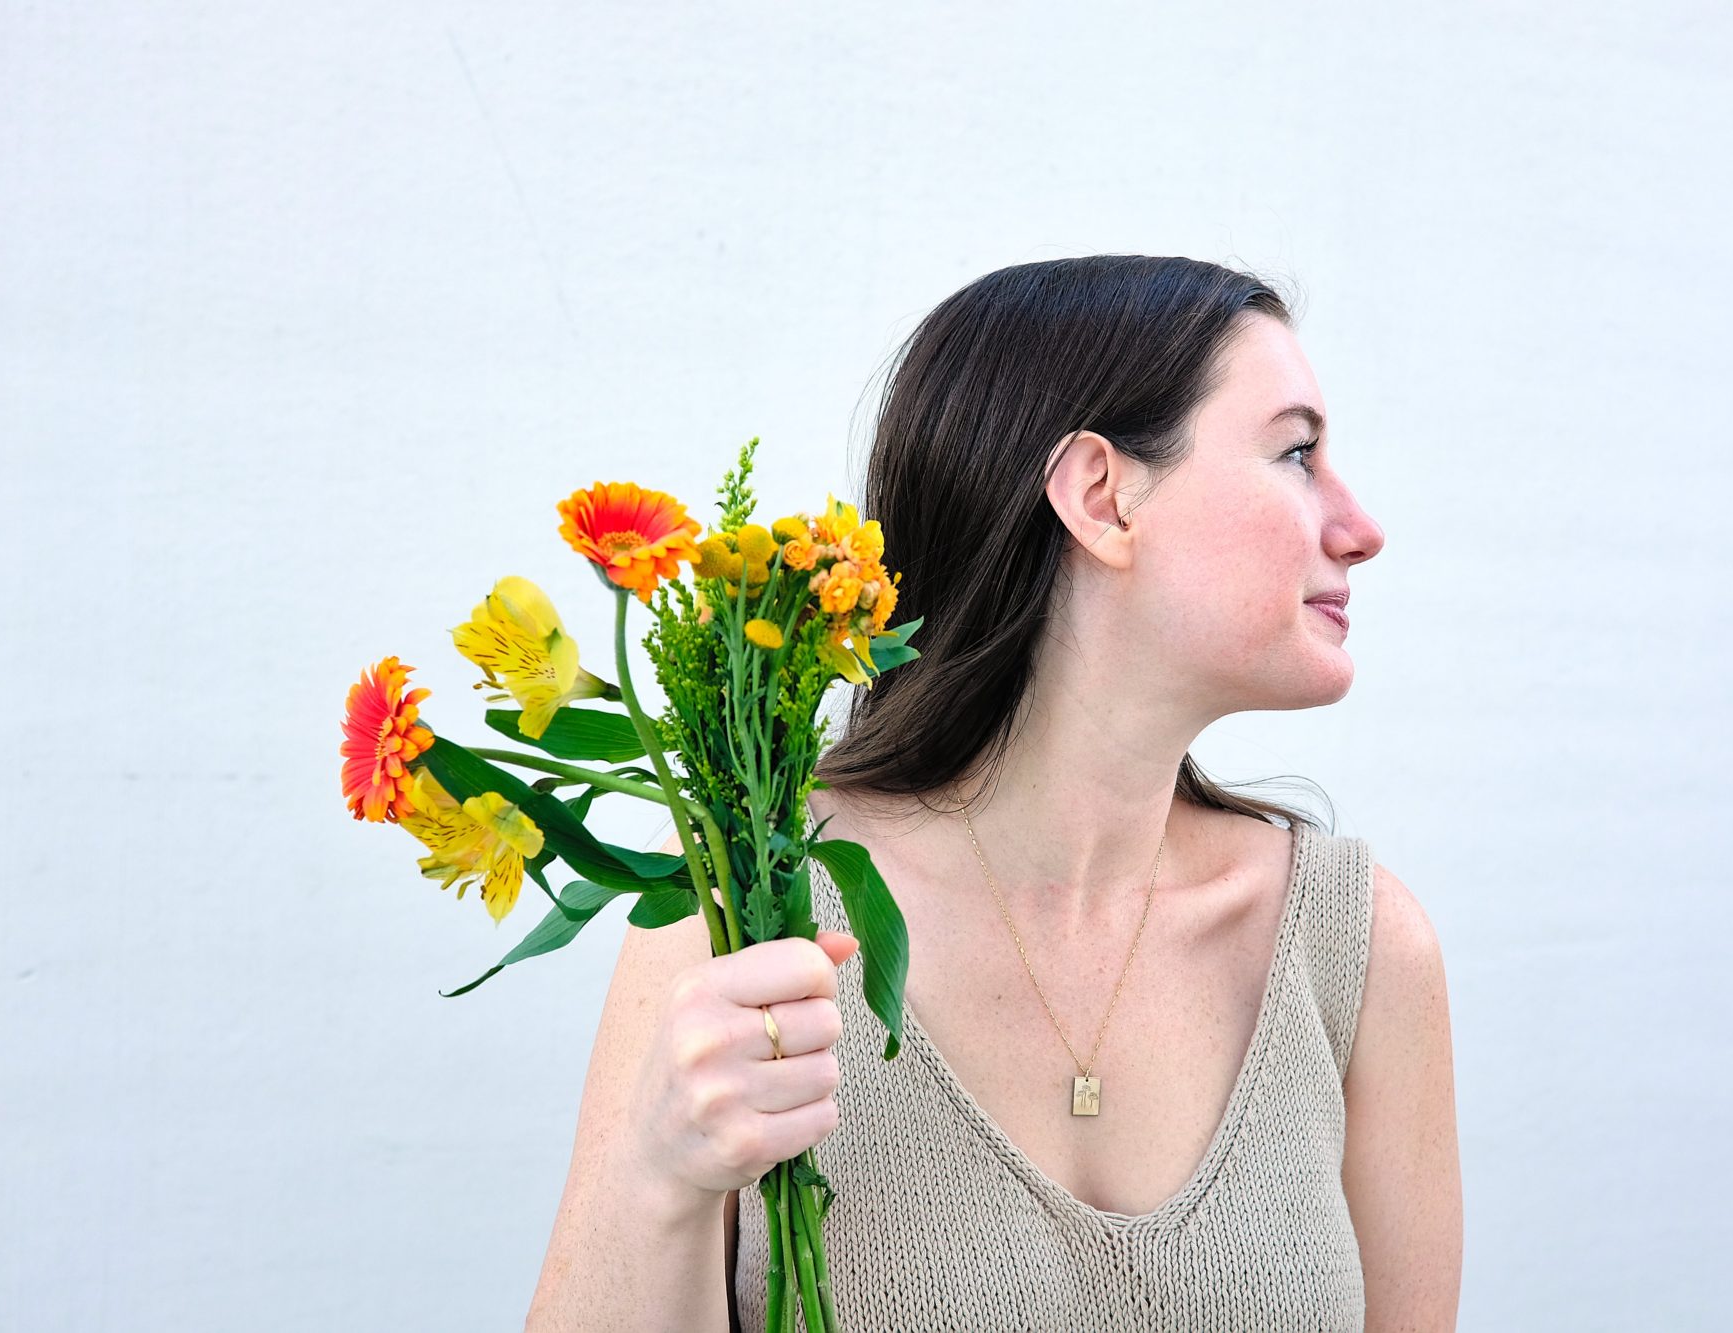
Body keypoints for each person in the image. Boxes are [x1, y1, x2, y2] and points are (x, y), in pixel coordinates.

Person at [524, 255, 1461, 1331]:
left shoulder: (1357, 947)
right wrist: (660, 1175)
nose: (1359, 525)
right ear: (1101, 497)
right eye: (1293, 452)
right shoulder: (747, 911)